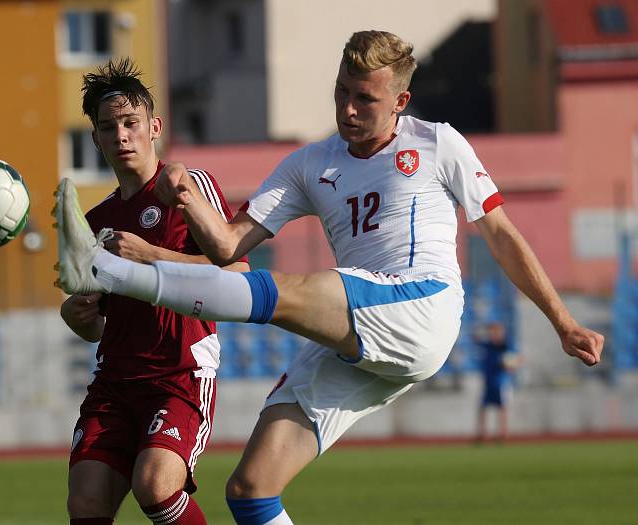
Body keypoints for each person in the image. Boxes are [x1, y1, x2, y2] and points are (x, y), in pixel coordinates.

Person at [54, 31, 604, 524]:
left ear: (400, 102)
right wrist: (188, 199)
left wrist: (563, 321)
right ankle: (113, 272)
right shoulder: (308, 164)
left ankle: (108, 270)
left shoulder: (438, 143)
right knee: (250, 491)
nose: (348, 108)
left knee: (292, 289)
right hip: (358, 342)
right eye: (342, 91)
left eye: (365, 98)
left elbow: (502, 235)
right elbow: (226, 246)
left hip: (422, 308)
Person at [60, 58, 249, 525]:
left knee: (157, 486)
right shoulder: (95, 223)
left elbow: (240, 271)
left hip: (179, 372)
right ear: (96, 139)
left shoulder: (188, 187)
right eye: (109, 127)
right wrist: (78, 315)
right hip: (116, 380)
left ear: (154, 126)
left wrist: (153, 256)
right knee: (84, 501)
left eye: (131, 123)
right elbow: (98, 322)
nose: (121, 135)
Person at [476, 321, 520, 443]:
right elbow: (475, 339)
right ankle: (483, 434)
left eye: (496, 331)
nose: (493, 334)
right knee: (483, 407)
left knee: (502, 407)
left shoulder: (505, 346)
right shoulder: (487, 345)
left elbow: (517, 360)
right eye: (492, 331)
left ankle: (503, 434)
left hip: (502, 382)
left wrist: (510, 365)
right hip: (488, 382)